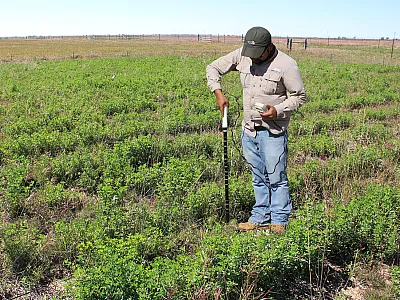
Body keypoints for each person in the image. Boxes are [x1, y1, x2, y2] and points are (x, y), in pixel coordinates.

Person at [206, 26, 306, 233]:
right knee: (258, 176)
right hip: (248, 130)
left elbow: (299, 97)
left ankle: (279, 220)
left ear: (268, 48)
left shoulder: (286, 65)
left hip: (273, 132)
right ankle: (260, 216)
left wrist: (277, 110)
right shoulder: (243, 55)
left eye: (258, 54)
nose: (253, 59)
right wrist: (218, 93)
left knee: (276, 177)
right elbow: (213, 68)